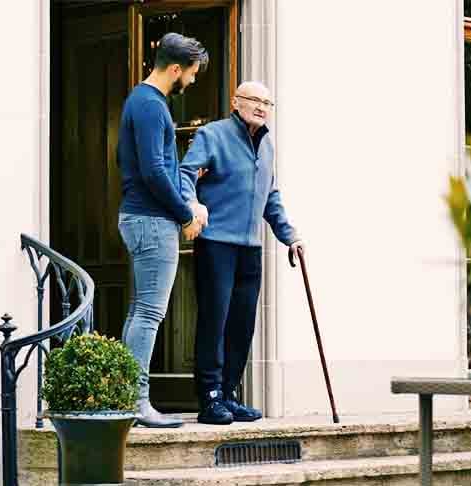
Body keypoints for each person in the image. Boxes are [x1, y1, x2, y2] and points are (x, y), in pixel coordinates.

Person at [180, 81, 304, 425]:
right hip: (216, 243)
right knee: (214, 322)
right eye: (254, 100)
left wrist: (289, 235)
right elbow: (186, 172)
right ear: (236, 101)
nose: (261, 107)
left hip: (250, 248)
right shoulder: (212, 135)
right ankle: (210, 398)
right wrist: (191, 204)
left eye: (267, 102)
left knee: (242, 325)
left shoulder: (266, 145)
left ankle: (229, 394)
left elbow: (270, 195)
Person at [116, 32, 209, 428]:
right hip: (151, 220)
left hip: (142, 217)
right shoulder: (152, 106)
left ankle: (122, 399)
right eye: (191, 73)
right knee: (149, 314)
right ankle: (137, 402)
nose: (191, 81)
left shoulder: (140, 101)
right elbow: (154, 170)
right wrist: (186, 215)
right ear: (175, 69)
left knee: (140, 311)